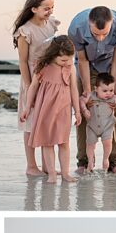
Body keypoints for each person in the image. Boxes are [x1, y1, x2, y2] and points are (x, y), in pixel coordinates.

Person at [67, 7, 116, 173]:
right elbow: (82, 60)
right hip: (86, 66)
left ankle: (114, 163)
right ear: (89, 24)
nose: (101, 38)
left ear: (111, 25)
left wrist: (115, 90)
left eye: (105, 34)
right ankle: (83, 162)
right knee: (84, 110)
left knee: (113, 111)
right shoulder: (76, 27)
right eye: (96, 34)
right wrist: (88, 91)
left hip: (110, 66)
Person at [20, 36, 82, 184]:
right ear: (53, 54)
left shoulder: (70, 68)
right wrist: (27, 107)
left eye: (69, 59)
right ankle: (52, 174)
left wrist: (78, 111)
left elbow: (74, 89)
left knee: (64, 142)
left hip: (64, 110)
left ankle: (65, 173)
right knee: (47, 142)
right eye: (63, 60)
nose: (66, 62)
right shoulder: (42, 66)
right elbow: (33, 87)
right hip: (46, 110)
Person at [13, 0, 60, 177]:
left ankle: (47, 165)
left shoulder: (51, 24)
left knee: (46, 122)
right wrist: (28, 85)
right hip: (32, 77)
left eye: (52, 7)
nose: (50, 11)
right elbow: (23, 61)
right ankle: (31, 166)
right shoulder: (25, 31)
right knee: (30, 123)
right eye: (46, 8)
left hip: (51, 78)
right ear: (33, 9)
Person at [79, 72, 116, 173]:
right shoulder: (91, 95)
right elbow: (81, 100)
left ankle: (106, 159)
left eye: (111, 90)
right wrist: (84, 110)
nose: (108, 93)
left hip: (107, 126)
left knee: (107, 143)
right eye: (104, 91)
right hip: (92, 126)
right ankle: (90, 161)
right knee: (90, 144)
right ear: (96, 89)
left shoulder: (113, 98)